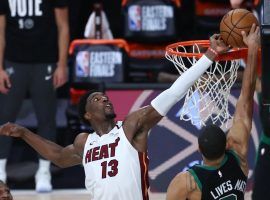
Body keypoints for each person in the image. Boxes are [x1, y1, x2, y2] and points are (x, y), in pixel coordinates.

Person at [0, 34, 228, 200]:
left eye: (105, 97)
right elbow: (59, 156)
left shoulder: (131, 126)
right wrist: (23, 133)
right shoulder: (84, 142)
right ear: (87, 114)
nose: (105, 100)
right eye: (97, 99)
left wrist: (209, 56)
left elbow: (173, 92)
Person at [166, 24, 260, 200]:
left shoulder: (188, 182)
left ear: (199, 149)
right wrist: (252, 49)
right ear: (227, 144)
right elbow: (246, 101)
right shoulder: (239, 157)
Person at [0, 0, 69, 192]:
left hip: (44, 61)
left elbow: (63, 26)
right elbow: (1, 31)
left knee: (47, 117)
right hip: (14, 60)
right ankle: (0, 173)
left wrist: (62, 65)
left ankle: (44, 171)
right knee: (5, 116)